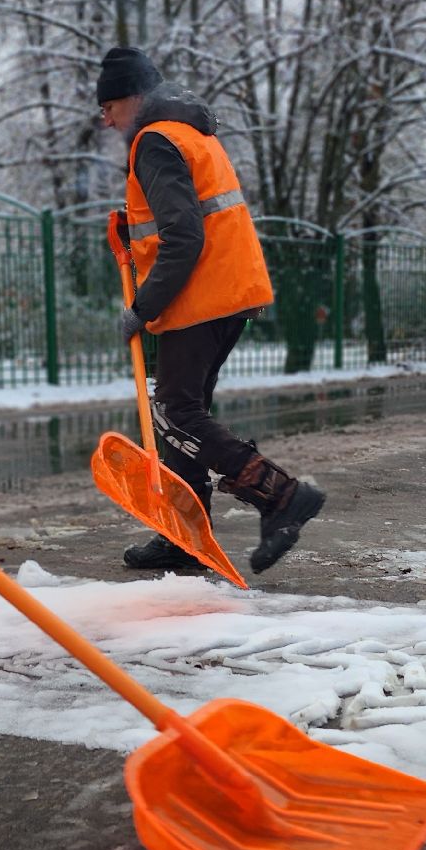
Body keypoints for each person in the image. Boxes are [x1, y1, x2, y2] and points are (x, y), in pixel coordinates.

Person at [97, 46, 326, 575]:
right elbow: (188, 217)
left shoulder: (154, 140)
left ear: (133, 98)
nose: (106, 120)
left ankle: (281, 495)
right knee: (185, 411)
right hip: (226, 290)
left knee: (175, 413)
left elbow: (183, 236)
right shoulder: (190, 132)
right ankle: (184, 535)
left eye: (108, 107)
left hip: (198, 297)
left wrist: (143, 306)